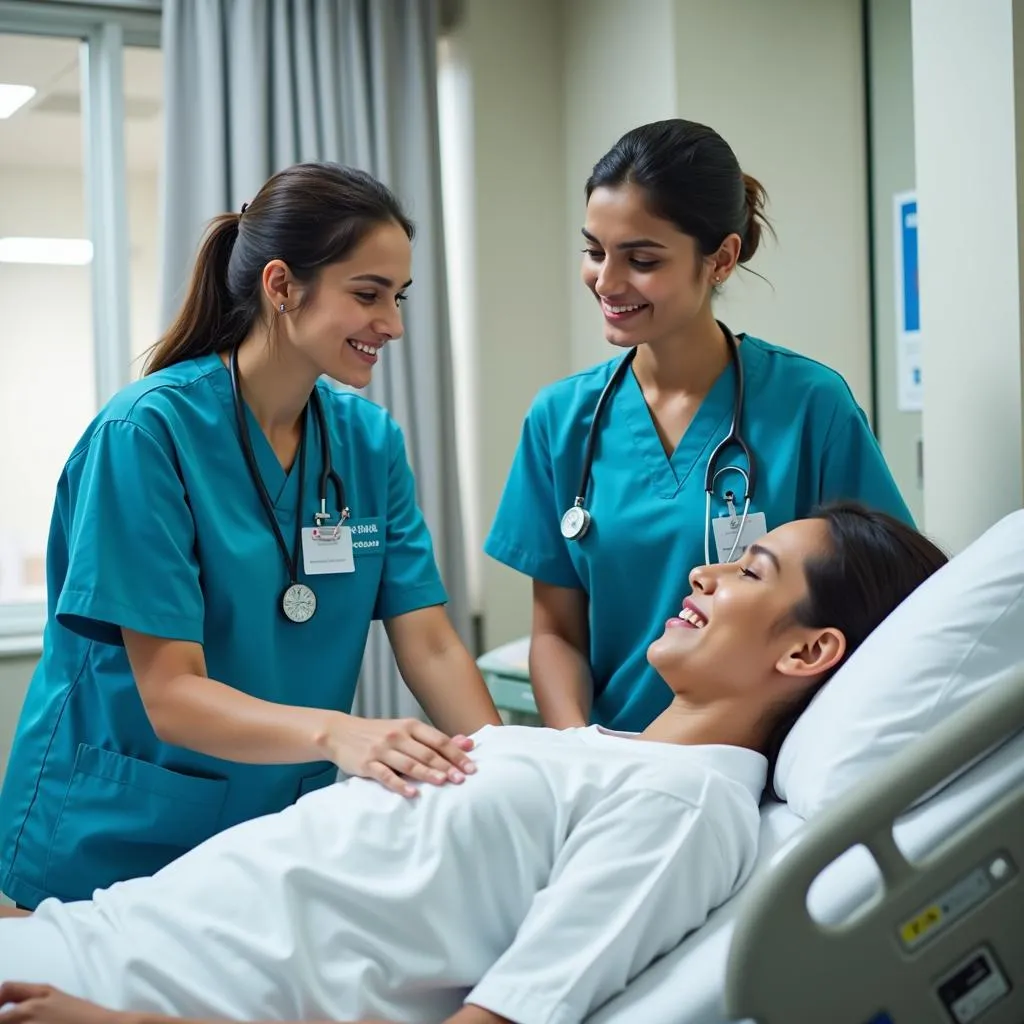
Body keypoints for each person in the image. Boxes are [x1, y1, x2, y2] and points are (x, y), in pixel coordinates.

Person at [0, 503, 948, 1024]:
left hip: (117, 996)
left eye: (752, 572)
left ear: (809, 653)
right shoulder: (600, 754)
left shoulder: (688, 807)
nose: (705, 573)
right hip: (90, 934)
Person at [0, 162, 502, 912]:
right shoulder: (147, 434)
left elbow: (428, 642)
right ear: (281, 286)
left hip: (270, 827)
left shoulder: (369, 444)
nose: (393, 325)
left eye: (397, 298)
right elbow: (173, 694)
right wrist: (341, 735)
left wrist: (509, 770)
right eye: (367, 295)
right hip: (114, 831)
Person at [485, 118, 915, 736]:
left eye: (642, 259)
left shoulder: (810, 406)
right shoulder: (561, 420)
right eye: (594, 251)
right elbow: (556, 632)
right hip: (613, 758)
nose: (607, 281)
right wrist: (580, 750)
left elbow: (886, 603)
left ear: (721, 259)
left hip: (758, 766)